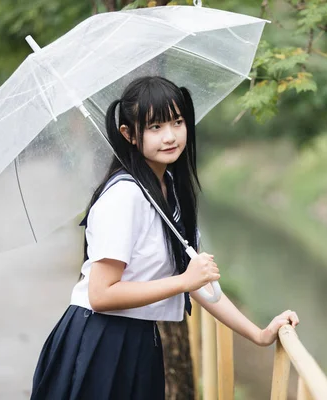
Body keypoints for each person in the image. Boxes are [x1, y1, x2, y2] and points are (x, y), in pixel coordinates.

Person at [30, 76, 299, 400]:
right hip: (100, 343)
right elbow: (101, 294)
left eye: (177, 121)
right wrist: (183, 282)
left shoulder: (170, 188)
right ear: (128, 134)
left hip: (140, 340)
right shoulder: (124, 196)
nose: (170, 136)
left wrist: (259, 334)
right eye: (155, 127)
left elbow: (199, 283)